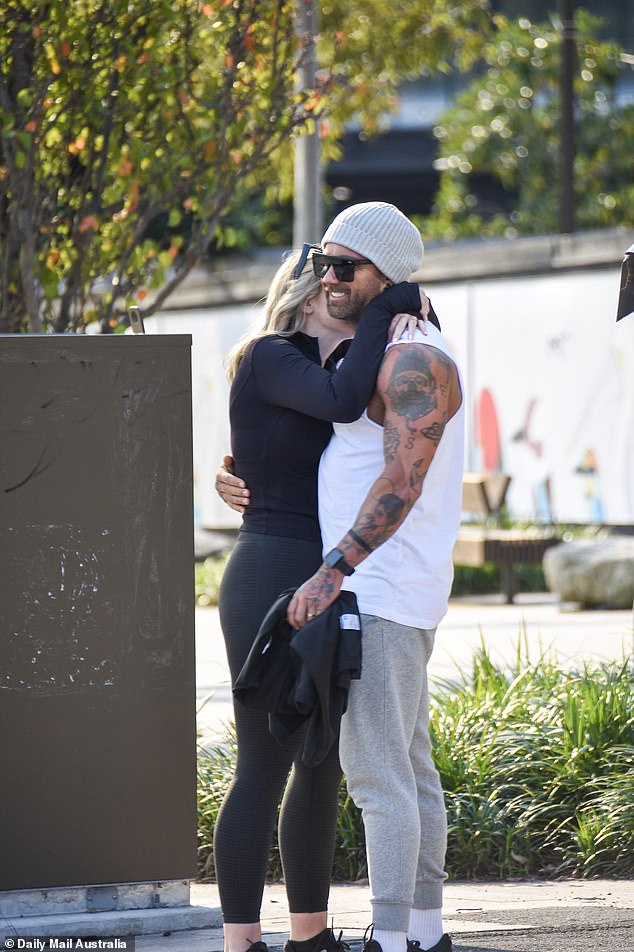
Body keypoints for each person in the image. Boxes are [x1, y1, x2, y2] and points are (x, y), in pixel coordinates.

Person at [218, 202, 464, 952]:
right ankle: (249, 940)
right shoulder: (285, 357)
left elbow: (393, 464)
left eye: (344, 269)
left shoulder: (390, 357)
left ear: (381, 276)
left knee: (356, 771)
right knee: (283, 760)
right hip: (297, 574)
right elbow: (322, 418)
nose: (328, 281)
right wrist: (231, 477)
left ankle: (361, 936)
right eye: (318, 268)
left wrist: (334, 573)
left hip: (358, 581)